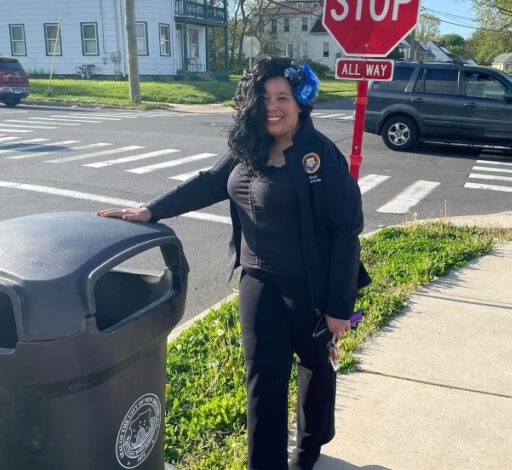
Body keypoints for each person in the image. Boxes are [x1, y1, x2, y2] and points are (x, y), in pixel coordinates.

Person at [97, 56, 370, 470]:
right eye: (263, 99)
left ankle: (309, 450)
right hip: (257, 280)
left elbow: (346, 230)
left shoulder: (319, 155)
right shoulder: (250, 145)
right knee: (263, 379)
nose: (273, 107)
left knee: (315, 367)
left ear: (301, 101)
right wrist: (152, 210)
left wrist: (338, 307)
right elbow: (210, 182)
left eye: (282, 97)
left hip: (309, 286)